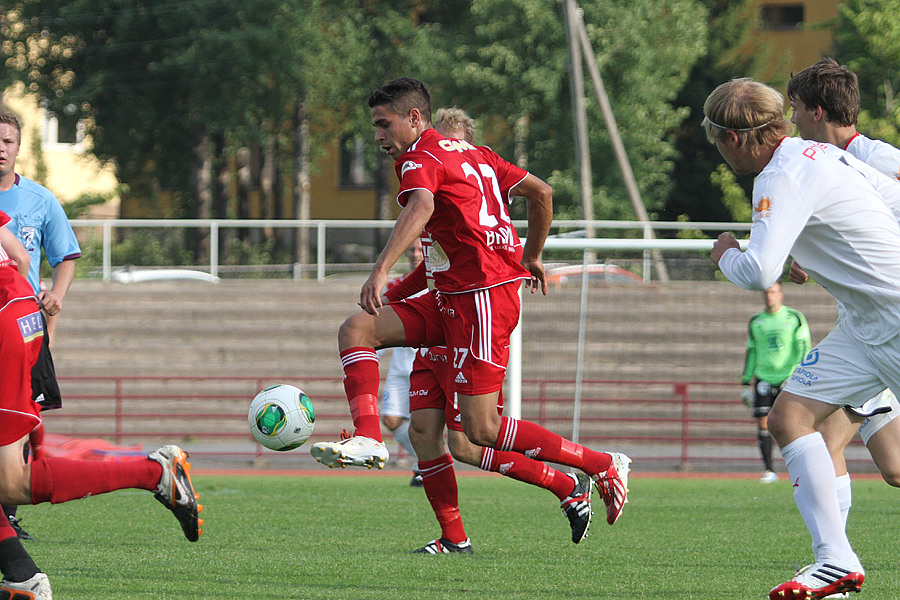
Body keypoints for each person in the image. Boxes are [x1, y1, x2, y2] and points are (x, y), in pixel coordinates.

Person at [310, 77, 630, 529]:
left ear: (414, 118)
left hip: (482, 298)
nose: (378, 136)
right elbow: (542, 193)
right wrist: (531, 255)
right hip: (453, 297)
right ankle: (368, 439)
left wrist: (380, 269)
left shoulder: (420, 157)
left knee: (479, 433)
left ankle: (599, 464)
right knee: (357, 329)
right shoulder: (476, 155)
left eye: (384, 125)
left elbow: (420, 206)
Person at [704, 77, 900, 599]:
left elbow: (757, 270)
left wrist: (723, 251)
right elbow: (890, 202)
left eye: (716, 140)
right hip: (865, 325)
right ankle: (835, 562)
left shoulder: (777, 176)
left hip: (893, 319)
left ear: (734, 139)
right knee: (789, 418)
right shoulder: (820, 156)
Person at [380, 108, 594, 551]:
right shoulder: (436, 184)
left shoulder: (478, 198)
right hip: (441, 321)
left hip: (473, 318)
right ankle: (453, 538)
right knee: (422, 433)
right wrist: (393, 293)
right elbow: (432, 269)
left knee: (472, 441)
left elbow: (539, 198)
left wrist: (529, 255)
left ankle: (567, 481)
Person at [0, 207, 204, 599]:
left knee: (8, 483)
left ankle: (152, 473)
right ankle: (20, 574)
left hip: (6, 326)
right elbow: (21, 258)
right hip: (22, 311)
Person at [787, 58, 900, 535]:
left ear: (815, 111)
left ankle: (833, 559)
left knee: (816, 433)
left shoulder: (878, 161)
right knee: (887, 464)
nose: (790, 120)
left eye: (794, 108)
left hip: (886, 326)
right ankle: (834, 562)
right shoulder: (823, 166)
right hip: (864, 331)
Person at [0, 108, 81, 540]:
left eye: (8, 140)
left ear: (18, 147)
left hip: (21, 327)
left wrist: (56, 297)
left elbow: (64, 257)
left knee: (17, 415)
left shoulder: (40, 200)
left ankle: (7, 513)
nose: (0, 148)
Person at [740, 282, 811, 483]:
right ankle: (769, 471)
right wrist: (746, 382)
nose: (769, 296)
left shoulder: (794, 317)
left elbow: (804, 347)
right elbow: (751, 352)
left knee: (792, 424)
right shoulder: (756, 321)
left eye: (773, 292)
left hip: (788, 378)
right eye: (766, 293)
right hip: (763, 378)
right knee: (763, 425)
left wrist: (798, 374)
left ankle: (800, 471)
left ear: (780, 294)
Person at [379, 240, 425, 486]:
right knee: (391, 419)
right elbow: (384, 323)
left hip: (427, 365)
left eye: (420, 250)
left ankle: (425, 467)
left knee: (424, 423)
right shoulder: (396, 286)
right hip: (399, 366)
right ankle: (425, 462)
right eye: (412, 250)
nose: (416, 254)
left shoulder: (437, 284)